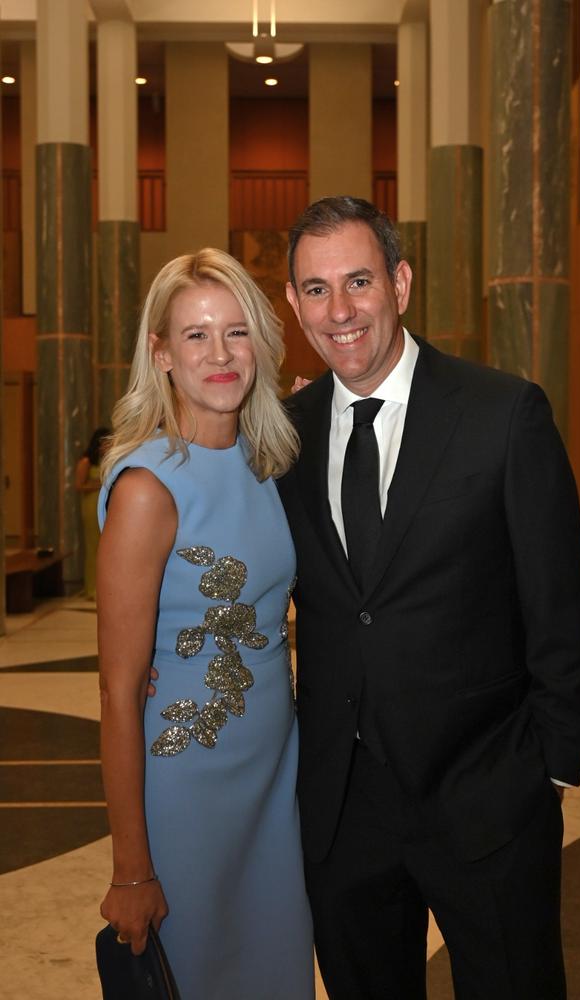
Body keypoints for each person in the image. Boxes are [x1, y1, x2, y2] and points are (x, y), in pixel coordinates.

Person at [277, 197, 580, 1000]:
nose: (340, 310)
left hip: (487, 800)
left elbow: (559, 604)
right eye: (315, 290)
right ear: (292, 305)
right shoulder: (282, 435)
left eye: (358, 281)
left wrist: (549, 770)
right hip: (344, 810)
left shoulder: (501, 414)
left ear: (401, 281)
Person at [97, 248, 314, 1000]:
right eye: (194, 335)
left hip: (272, 784)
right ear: (159, 353)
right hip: (187, 788)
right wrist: (132, 868)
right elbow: (119, 693)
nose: (219, 355)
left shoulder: (269, 463)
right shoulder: (148, 489)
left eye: (236, 332)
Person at [75, 427, 110, 600]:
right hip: (91, 504)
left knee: (105, 546)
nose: (106, 446)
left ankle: (104, 587)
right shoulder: (86, 462)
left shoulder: (109, 460)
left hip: (106, 504)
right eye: (104, 443)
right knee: (93, 546)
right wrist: (99, 484)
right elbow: (79, 486)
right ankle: (91, 589)